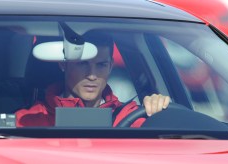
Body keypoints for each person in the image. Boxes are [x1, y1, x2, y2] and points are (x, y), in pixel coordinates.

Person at [15, 31, 170, 127]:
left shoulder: (132, 118)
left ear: (110, 66)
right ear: (63, 64)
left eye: (101, 65)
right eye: (83, 64)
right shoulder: (28, 120)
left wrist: (160, 112)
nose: (92, 75)